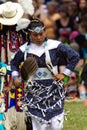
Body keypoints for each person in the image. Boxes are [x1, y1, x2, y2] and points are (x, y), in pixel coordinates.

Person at [10, 18, 80, 130]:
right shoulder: (24, 50)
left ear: (45, 32)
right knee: (38, 125)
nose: (38, 38)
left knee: (56, 125)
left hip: (53, 91)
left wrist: (64, 74)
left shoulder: (55, 46)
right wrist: (15, 77)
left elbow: (74, 56)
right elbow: (13, 63)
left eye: (41, 34)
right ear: (29, 34)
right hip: (34, 94)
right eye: (35, 35)